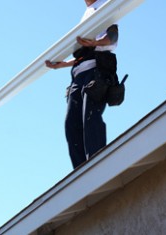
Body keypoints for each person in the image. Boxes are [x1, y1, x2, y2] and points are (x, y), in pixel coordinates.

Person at [45, 0, 119, 169]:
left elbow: (113, 35)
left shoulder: (104, 5)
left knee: (90, 117)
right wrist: (62, 64)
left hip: (95, 73)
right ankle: (80, 171)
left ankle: (97, 165)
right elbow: (84, 53)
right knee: (71, 124)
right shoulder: (87, 13)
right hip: (79, 76)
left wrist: (95, 43)